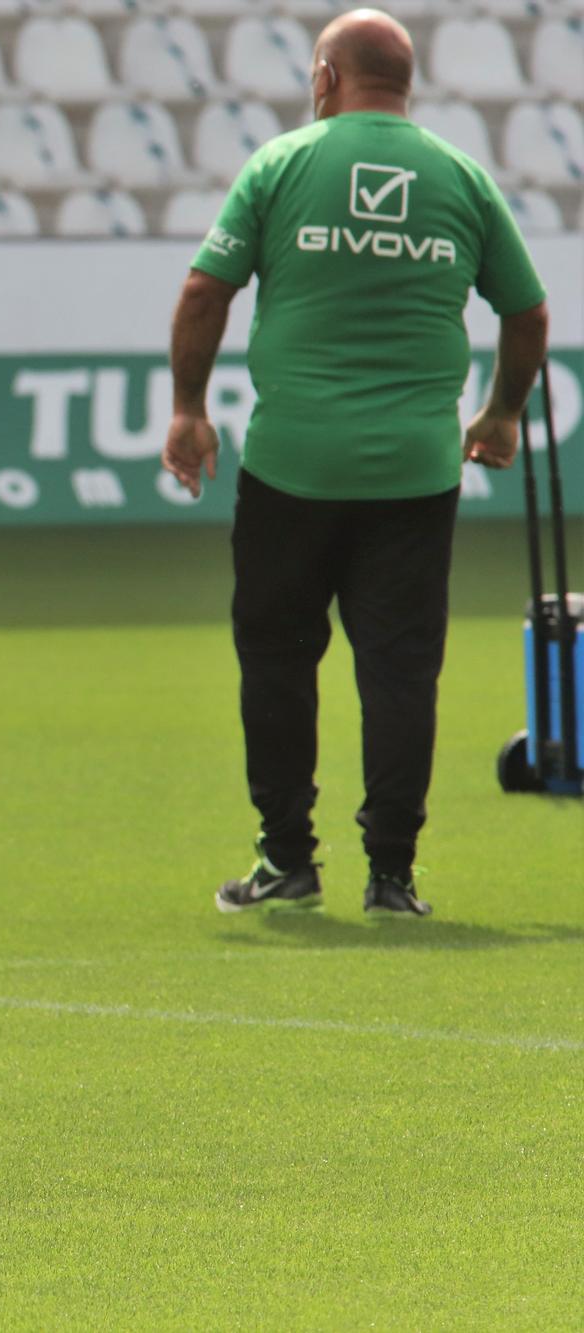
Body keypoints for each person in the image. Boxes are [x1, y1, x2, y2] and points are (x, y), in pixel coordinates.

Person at [161, 9, 550, 917]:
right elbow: (527, 314)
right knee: (402, 669)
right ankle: (393, 875)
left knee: (277, 658)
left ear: (327, 77)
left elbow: (202, 289)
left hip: (290, 467)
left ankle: (287, 858)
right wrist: (498, 415)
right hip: (416, 474)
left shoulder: (283, 164)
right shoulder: (460, 177)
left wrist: (188, 409)